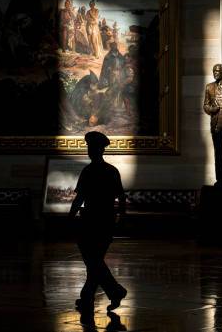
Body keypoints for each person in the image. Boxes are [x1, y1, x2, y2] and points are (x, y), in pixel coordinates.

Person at [68, 131, 127, 323]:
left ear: (96, 150)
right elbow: (121, 197)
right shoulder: (112, 171)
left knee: (92, 261)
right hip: (106, 221)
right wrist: (120, 217)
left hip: (91, 221)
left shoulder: (88, 171)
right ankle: (88, 296)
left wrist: (69, 217)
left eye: (91, 148)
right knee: (94, 261)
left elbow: (80, 198)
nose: (89, 151)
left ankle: (114, 291)